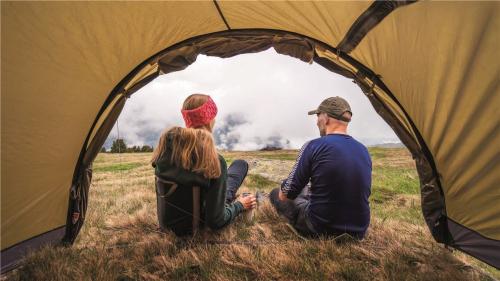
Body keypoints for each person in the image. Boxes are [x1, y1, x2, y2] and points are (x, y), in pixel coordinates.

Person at [151, 93, 256, 236]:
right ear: (209, 120)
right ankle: (232, 192)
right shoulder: (213, 160)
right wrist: (239, 205)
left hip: (168, 225)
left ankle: (228, 187)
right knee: (240, 165)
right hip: (196, 228)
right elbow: (216, 221)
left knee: (236, 168)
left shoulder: (165, 149)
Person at [270, 96, 372, 239]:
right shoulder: (363, 150)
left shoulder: (313, 145)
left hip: (321, 228)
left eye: (318, 116)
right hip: (359, 230)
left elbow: (286, 193)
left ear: (326, 118)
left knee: (276, 193)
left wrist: (284, 186)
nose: (317, 122)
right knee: (307, 190)